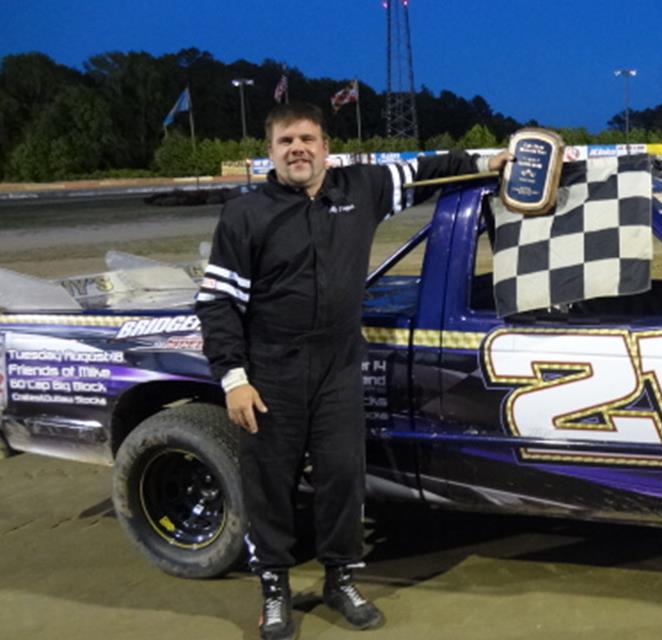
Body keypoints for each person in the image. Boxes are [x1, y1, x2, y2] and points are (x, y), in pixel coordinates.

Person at [194, 102, 509, 640]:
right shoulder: (245, 214)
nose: (298, 149)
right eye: (286, 141)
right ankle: (275, 589)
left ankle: (342, 579)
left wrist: (494, 159)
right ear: (269, 153)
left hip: (340, 365)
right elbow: (217, 302)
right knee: (270, 484)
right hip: (271, 370)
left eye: (308, 139)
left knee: (343, 478)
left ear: (326, 147)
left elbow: (431, 169)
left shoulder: (361, 187)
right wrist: (234, 378)